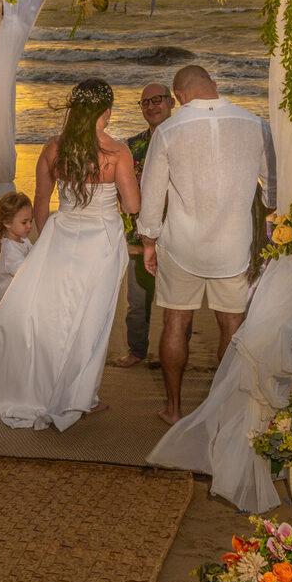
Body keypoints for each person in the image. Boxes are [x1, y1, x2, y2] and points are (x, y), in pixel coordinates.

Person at [0, 78, 140, 431]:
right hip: (101, 242)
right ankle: (82, 396)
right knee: (92, 318)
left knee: (58, 315)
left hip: (60, 235)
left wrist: (42, 240)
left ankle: (52, 386)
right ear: (107, 111)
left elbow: (41, 200)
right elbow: (132, 204)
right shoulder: (117, 153)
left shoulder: (54, 148)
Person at [137, 64, 275, 425]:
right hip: (234, 246)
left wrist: (149, 242)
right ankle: (227, 409)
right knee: (232, 326)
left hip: (182, 245)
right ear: (215, 85)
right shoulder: (255, 124)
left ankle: (174, 408)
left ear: (178, 97)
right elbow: (274, 188)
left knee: (175, 323)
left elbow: (151, 198)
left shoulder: (168, 130)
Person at [112, 82, 173, 368]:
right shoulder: (130, 146)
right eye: (145, 102)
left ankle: (174, 355)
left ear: (171, 102)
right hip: (138, 235)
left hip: (177, 234)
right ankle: (137, 350)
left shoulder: (184, 138)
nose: (151, 106)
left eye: (157, 100)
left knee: (177, 304)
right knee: (137, 300)